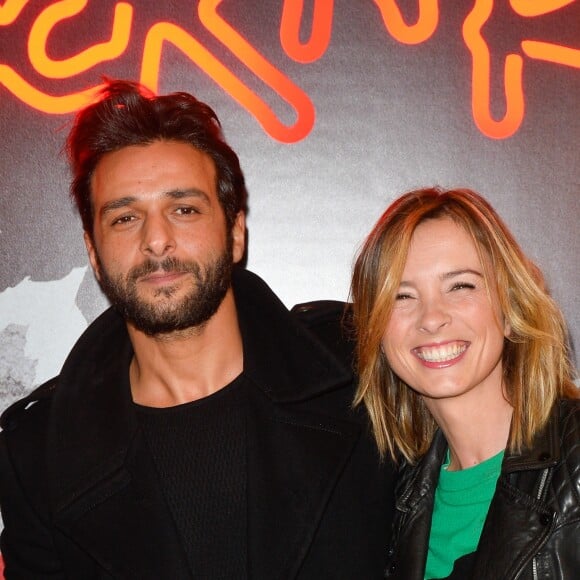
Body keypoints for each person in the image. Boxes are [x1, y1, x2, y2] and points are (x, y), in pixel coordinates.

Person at [0, 80, 394, 579]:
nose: (157, 240)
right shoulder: (38, 457)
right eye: (124, 218)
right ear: (93, 254)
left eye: (184, 209)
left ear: (235, 232)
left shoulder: (363, 370)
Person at [350, 187, 579, 580]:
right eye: (401, 296)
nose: (432, 317)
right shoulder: (395, 496)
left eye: (460, 286)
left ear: (510, 309)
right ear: (377, 335)